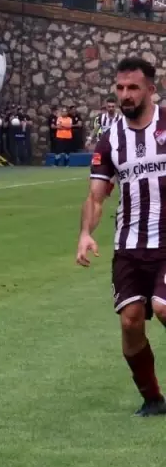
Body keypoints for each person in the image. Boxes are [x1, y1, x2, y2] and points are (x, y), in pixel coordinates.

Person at [77, 56, 166, 416]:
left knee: (162, 308)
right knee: (130, 320)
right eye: (120, 88)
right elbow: (96, 197)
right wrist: (85, 233)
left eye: (133, 88)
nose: (125, 95)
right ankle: (153, 399)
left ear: (151, 90)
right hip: (129, 246)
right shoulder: (110, 139)